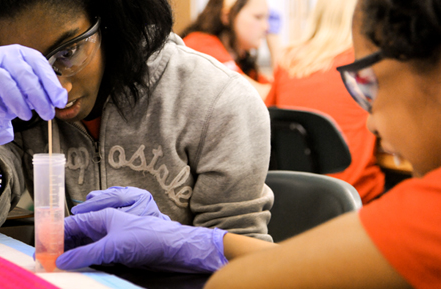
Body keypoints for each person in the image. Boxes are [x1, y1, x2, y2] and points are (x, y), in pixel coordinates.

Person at [55, 0, 441, 286]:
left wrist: (182, 242)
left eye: (368, 81)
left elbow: (236, 283)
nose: (370, 120)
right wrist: (190, 240)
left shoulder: (428, 212)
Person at [0, 0, 273, 240]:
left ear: (109, 20)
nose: (58, 87)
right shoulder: (16, 103)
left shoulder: (216, 100)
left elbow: (247, 260)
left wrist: (175, 245)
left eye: (68, 51)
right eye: (29, 69)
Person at [265, 0, 385, 204]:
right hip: (353, 195)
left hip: (295, 194)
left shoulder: (288, 61)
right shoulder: (366, 65)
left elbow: (268, 118)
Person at [181, 0, 280, 98]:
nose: (266, 27)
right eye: (258, 17)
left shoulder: (242, 59)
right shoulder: (200, 44)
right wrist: (274, 43)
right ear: (227, 16)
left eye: (267, 18)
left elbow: (278, 93)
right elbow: (257, 96)